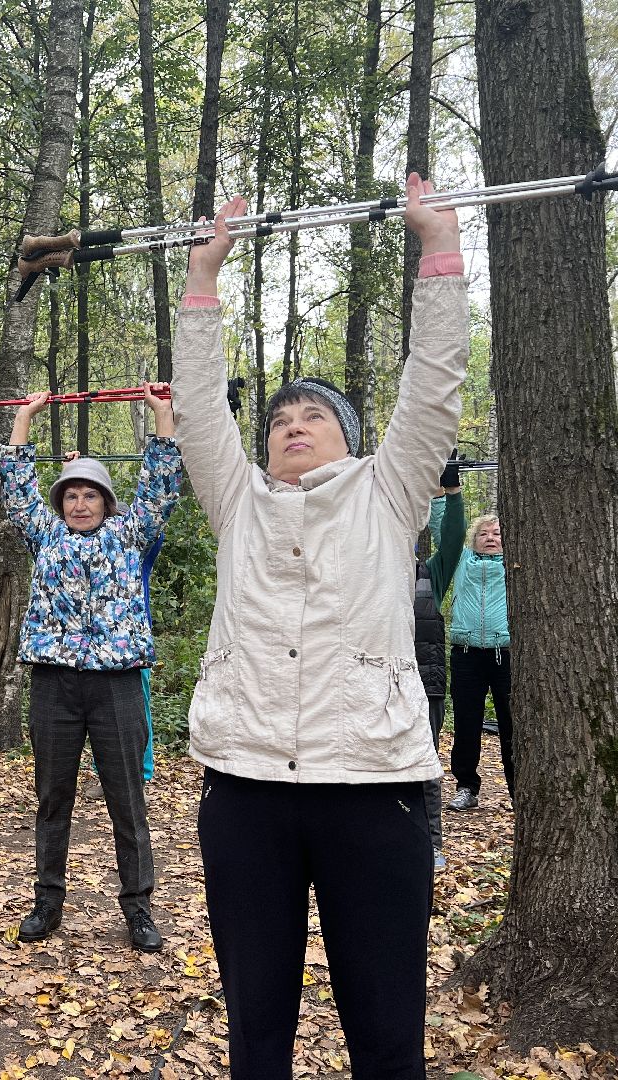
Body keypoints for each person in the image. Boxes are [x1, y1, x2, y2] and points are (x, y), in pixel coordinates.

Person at [171, 174, 466, 1079]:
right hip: (247, 789)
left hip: (373, 790)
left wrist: (439, 254)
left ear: (352, 437)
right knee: (257, 1028)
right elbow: (196, 411)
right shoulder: (238, 500)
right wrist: (203, 280)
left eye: (315, 418)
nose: (294, 427)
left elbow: (433, 386)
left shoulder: (390, 491)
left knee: (385, 1029)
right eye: (281, 421)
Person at [0, 388, 181, 952]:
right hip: (54, 684)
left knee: (127, 797)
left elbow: (161, 485)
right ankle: (47, 902)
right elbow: (16, 488)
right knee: (53, 797)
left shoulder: (130, 536)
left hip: (117, 686)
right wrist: (24, 420)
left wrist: (162, 415)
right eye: (71, 496)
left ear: (106, 501)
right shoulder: (45, 535)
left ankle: (138, 908)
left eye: (90, 495)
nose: (80, 504)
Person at [445, 511, 511, 810]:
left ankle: (517, 791)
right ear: (474, 539)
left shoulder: (515, 565)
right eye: (484, 534)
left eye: (496, 533)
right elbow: (442, 530)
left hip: (506, 655)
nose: (490, 538)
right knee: (466, 723)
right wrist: (445, 494)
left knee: (512, 725)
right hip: (466, 654)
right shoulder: (462, 563)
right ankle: (466, 787)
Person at [415, 469, 465, 869]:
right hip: (375, 686)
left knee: (425, 764)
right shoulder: (361, 577)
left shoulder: (430, 574)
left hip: (424, 684)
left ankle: (431, 843)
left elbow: (452, 538)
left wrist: (450, 492)